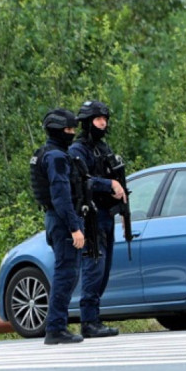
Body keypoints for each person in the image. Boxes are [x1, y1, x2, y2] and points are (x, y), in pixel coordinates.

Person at [70, 100, 127, 338]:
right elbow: (81, 182)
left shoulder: (103, 148)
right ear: (87, 122)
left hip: (107, 216)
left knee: (104, 271)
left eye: (104, 119)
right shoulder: (77, 151)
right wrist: (108, 184)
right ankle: (89, 321)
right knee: (94, 268)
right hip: (90, 217)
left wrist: (123, 211)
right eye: (97, 119)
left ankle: (94, 318)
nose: (102, 123)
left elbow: (117, 176)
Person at [30, 108, 87, 345]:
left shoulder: (45, 153)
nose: (72, 134)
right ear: (57, 130)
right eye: (68, 130)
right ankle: (55, 328)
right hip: (63, 220)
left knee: (66, 272)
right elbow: (61, 196)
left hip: (55, 219)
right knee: (66, 273)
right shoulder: (56, 157)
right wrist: (75, 227)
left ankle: (57, 325)